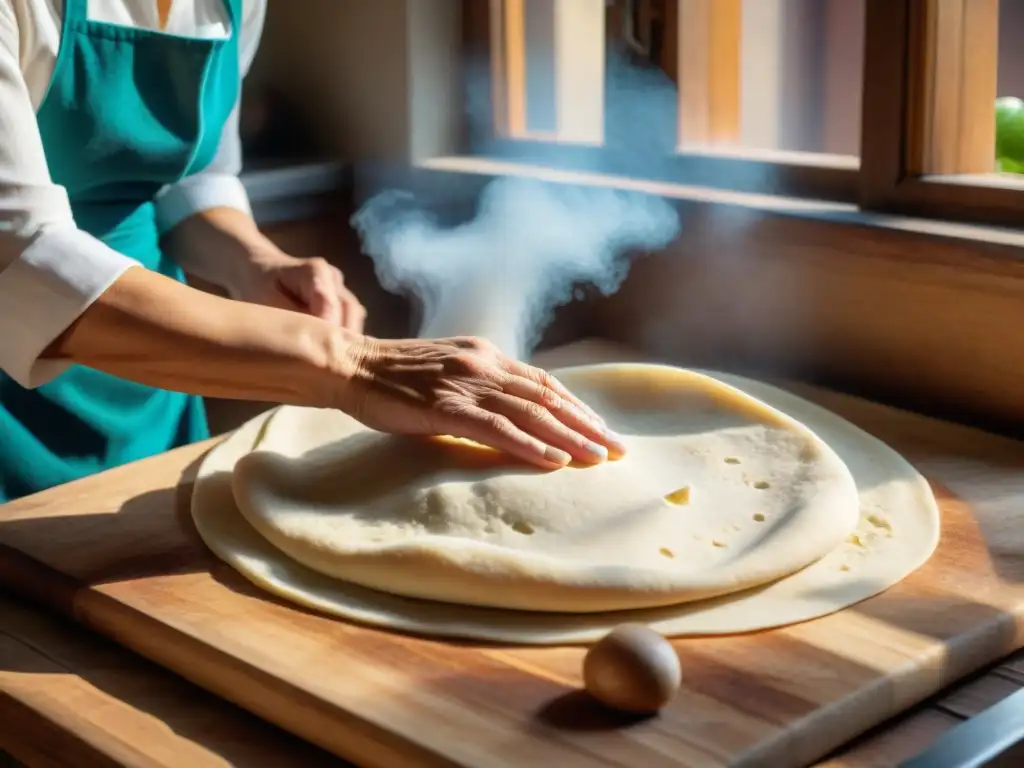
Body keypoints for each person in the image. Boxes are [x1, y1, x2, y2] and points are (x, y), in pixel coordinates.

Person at [0, 0, 623, 503]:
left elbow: (186, 181)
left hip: (155, 376)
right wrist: (359, 365)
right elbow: (23, 259)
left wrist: (253, 262)